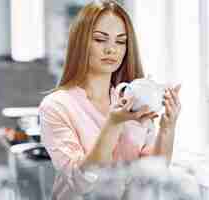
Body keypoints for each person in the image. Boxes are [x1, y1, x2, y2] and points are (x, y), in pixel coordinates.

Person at [38, 0, 181, 199]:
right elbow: (81, 183)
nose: (111, 49)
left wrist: (168, 127)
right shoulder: (57, 106)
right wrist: (113, 124)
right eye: (99, 39)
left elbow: (152, 175)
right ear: (80, 43)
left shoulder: (133, 100)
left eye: (120, 41)